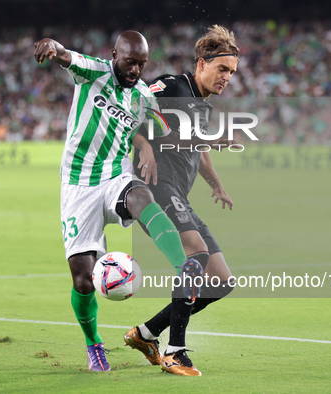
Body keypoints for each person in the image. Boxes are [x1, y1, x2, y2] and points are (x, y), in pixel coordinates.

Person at [33, 31, 229, 372]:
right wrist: (53, 47)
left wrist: (150, 144)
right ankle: (95, 344)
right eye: (130, 62)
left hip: (114, 175)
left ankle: (175, 276)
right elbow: (66, 56)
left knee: (141, 197)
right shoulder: (93, 72)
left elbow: (154, 126)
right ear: (114, 55)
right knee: (82, 280)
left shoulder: (142, 95)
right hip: (78, 185)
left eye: (142, 64)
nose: (136, 70)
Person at [123, 25, 240, 376]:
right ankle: (175, 351)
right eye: (222, 69)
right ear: (201, 63)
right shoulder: (172, 86)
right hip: (153, 187)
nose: (227, 78)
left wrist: (216, 185)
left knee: (220, 281)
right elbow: (130, 112)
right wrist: (144, 145)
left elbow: (200, 150)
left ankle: (145, 334)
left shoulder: (203, 107)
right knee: (196, 254)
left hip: (178, 194)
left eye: (232, 73)